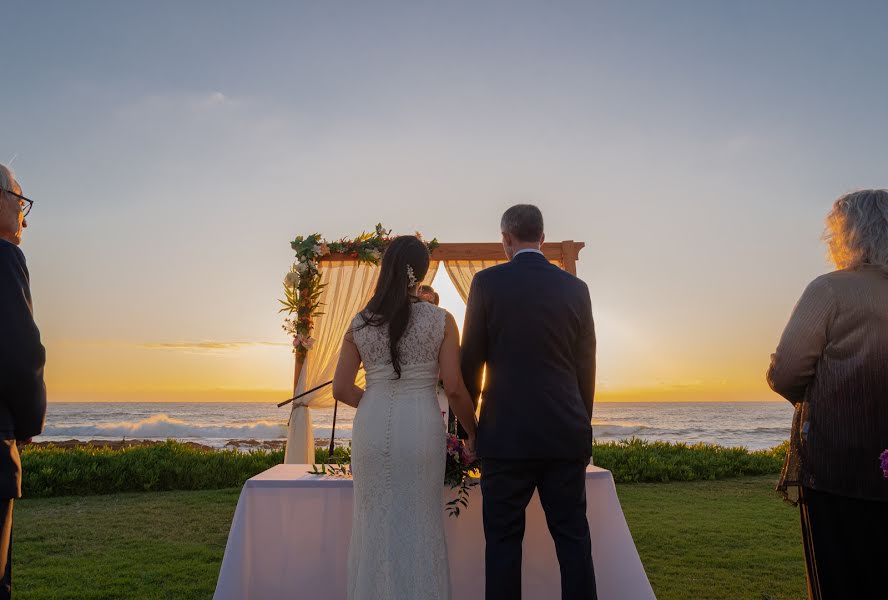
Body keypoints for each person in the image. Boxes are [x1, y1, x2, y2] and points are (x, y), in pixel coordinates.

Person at [461, 204, 597, 600]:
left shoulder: (487, 284)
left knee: (503, 545)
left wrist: (469, 429)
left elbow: (471, 361)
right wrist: (580, 424)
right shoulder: (576, 288)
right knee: (573, 541)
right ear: (542, 236)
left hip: (505, 436)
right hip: (564, 433)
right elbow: (585, 367)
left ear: (506, 239)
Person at [333, 235, 478, 600]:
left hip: (371, 423)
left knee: (373, 524)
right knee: (420, 522)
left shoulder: (359, 323)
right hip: (420, 425)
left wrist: (376, 402)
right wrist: (473, 433)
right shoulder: (442, 320)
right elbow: (456, 387)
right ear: (421, 272)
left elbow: (341, 389)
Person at [768, 189, 888, 599]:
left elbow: (785, 371)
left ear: (848, 235)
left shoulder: (831, 290)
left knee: (840, 580)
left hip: (838, 467)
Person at [0, 164, 47, 598]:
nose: (24, 217)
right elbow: (21, 353)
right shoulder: (4, 255)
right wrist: (28, 425)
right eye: (20, 201)